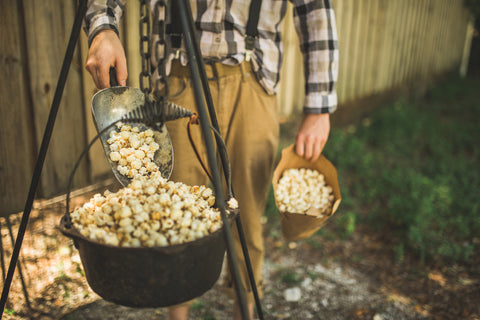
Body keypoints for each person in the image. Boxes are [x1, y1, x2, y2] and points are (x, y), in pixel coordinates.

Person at [84, 0, 338, 319]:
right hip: (177, 78)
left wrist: (319, 105)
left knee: (246, 217)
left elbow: (314, 8)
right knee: (174, 215)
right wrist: (103, 27)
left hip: (252, 80)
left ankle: (245, 308)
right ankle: (177, 314)